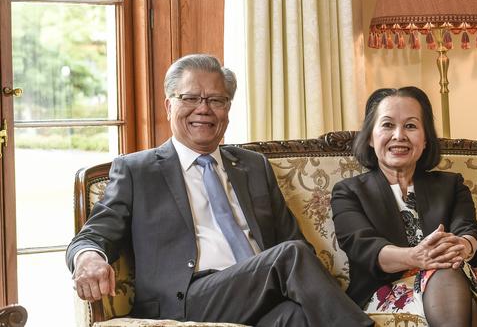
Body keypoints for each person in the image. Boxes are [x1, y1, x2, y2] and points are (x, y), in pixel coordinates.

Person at [66, 54, 374, 327]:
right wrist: (88, 258)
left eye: (216, 100)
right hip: (186, 299)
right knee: (290, 256)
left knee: (299, 317)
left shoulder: (253, 166)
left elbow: (290, 238)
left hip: (259, 296)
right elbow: (92, 235)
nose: (204, 109)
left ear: (227, 109)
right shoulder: (137, 170)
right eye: (190, 98)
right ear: (169, 104)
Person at [331, 87, 477, 327]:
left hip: (452, 278)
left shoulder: (450, 184)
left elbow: (469, 229)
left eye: (411, 126)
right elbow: (364, 248)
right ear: (371, 137)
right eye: (388, 125)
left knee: (446, 273)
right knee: (452, 284)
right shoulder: (348, 192)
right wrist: (416, 257)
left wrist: (462, 246)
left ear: (425, 140)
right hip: (385, 291)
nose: (399, 135)